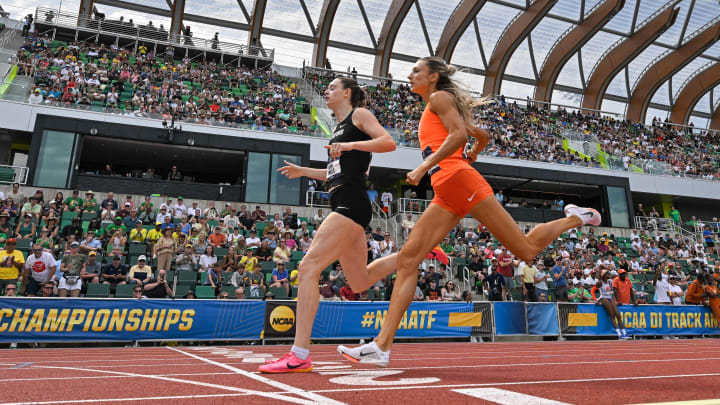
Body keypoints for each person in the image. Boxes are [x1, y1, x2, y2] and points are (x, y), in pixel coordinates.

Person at [337, 57, 600, 367]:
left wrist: (425, 165)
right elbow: (479, 135)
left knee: (526, 249)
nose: (409, 75)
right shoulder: (436, 104)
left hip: (459, 181)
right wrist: (474, 152)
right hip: (446, 191)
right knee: (408, 259)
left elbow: (460, 135)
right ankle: (381, 347)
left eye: (416, 71)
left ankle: (577, 217)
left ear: (433, 77)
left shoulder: (439, 97)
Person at [259, 76, 397, 374]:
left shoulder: (358, 115)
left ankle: (299, 354)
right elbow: (334, 172)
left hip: (351, 205)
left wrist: (348, 145)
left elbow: (389, 142)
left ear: (347, 93)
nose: (326, 90)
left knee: (308, 268)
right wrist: (302, 170)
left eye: (333, 87)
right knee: (359, 281)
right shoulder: (337, 129)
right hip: (346, 206)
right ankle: (414, 252)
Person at [597, 270, 631, 339]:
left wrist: (611, 292)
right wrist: (597, 299)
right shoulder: (600, 282)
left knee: (618, 315)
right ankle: (619, 334)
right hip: (604, 298)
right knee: (612, 315)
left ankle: (624, 333)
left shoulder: (609, 282)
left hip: (610, 298)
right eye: (607, 273)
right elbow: (593, 290)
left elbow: (611, 290)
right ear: (604, 275)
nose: (609, 274)